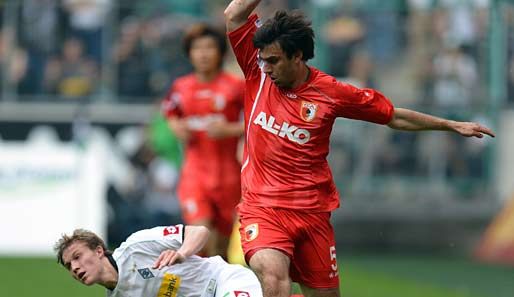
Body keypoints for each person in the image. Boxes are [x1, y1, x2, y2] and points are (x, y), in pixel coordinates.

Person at [223, 1, 496, 297]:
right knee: (274, 279)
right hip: (262, 207)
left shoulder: (332, 94)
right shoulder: (257, 71)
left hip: (311, 213)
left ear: (298, 56)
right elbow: (233, 14)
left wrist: (451, 124)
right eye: (264, 60)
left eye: (274, 60)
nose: (268, 67)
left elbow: (393, 116)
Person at [161, 23, 245, 259]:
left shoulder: (235, 87)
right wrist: (176, 127)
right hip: (195, 175)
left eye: (209, 47)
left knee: (220, 252)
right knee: (200, 239)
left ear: (220, 52)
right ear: (189, 53)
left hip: (230, 177)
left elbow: (256, 122)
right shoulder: (181, 87)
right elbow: (170, 113)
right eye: (198, 48)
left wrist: (229, 129)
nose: (204, 53)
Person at [54, 224, 263, 297]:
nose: (74, 267)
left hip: (223, 280)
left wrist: (182, 252)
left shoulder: (136, 247)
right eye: (69, 265)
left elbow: (200, 232)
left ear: (99, 250)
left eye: (77, 257)